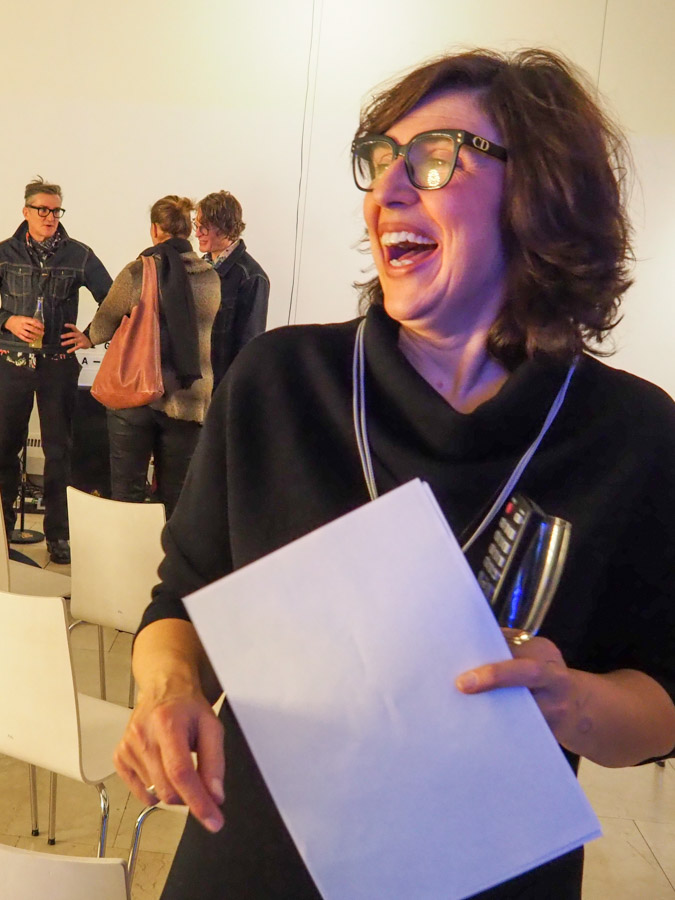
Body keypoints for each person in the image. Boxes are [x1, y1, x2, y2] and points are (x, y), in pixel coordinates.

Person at [114, 49, 675, 900]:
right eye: (378, 161)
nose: (386, 192)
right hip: (259, 861)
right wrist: (167, 689)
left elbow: (661, 697)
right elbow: (182, 601)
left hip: (490, 871)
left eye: (434, 158)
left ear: (543, 193)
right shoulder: (280, 383)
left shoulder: (629, 433)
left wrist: (570, 704)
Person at [66, 196, 221, 518]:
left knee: (128, 492)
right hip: (189, 397)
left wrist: (87, 337)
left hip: (136, 392)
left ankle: (130, 550)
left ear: (155, 229)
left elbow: (106, 320)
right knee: (177, 496)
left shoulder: (139, 271)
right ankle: (166, 551)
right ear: (187, 229)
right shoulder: (210, 276)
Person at [0, 177, 112, 564]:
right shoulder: (5, 253)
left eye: (55, 210)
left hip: (58, 366)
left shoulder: (79, 255)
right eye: (42, 209)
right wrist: (8, 320)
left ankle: (59, 536)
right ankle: (2, 532)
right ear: (26, 211)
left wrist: (91, 335)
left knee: (59, 452)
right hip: (11, 364)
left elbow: (114, 299)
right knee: (4, 449)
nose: (50, 217)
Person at [194, 191, 269, 390]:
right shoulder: (198, 268)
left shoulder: (251, 277)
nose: (197, 233)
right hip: (193, 388)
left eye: (203, 227)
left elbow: (248, 349)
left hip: (220, 389)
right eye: (196, 225)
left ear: (224, 227)